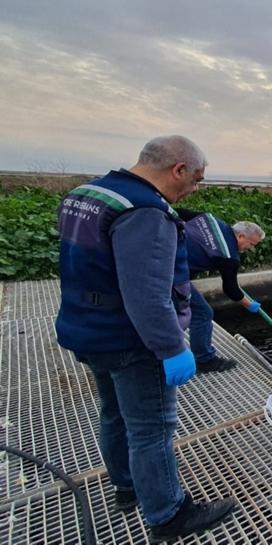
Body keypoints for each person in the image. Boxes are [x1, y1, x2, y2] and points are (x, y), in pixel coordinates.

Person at [55, 135, 237, 543]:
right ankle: (168, 513)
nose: (194, 190)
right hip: (131, 342)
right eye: (197, 179)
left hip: (85, 329)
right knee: (151, 429)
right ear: (178, 170)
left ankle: (127, 487)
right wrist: (173, 348)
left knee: (114, 413)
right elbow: (147, 294)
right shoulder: (146, 212)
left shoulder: (88, 194)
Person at [177, 208, 265, 371]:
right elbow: (231, 289)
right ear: (240, 236)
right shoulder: (229, 256)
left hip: (160, 254)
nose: (250, 248)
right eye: (251, 244)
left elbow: (177, 212)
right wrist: (249, 304)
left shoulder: (209, 219)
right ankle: (204, 359)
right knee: (203, 313)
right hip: (171, 273)